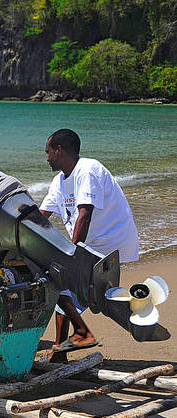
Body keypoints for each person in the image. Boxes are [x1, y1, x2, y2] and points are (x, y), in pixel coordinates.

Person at [40, 129, 139, 361]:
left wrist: (73, 254)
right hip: (92, 243)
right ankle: (67, 346)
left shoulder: (88, 169)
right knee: (79, 292)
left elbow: (85, 215)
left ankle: (66, 347)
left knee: (72, 287)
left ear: (59, 150)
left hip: (110, 241)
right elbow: (41, 216)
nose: (47, 158)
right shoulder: (59, 181)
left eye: (48, 152)